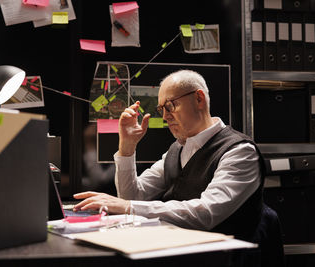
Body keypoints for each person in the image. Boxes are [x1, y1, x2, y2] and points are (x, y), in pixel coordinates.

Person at [74, 69, 265, 241]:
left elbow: (206, 214)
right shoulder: (177, 150)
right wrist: (127, 148)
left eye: (171, 106)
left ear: (199, 99)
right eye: (161, 110)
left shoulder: (240, 152)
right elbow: (132, 196)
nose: (165, 117)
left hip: (228, 259)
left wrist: (128, 207)